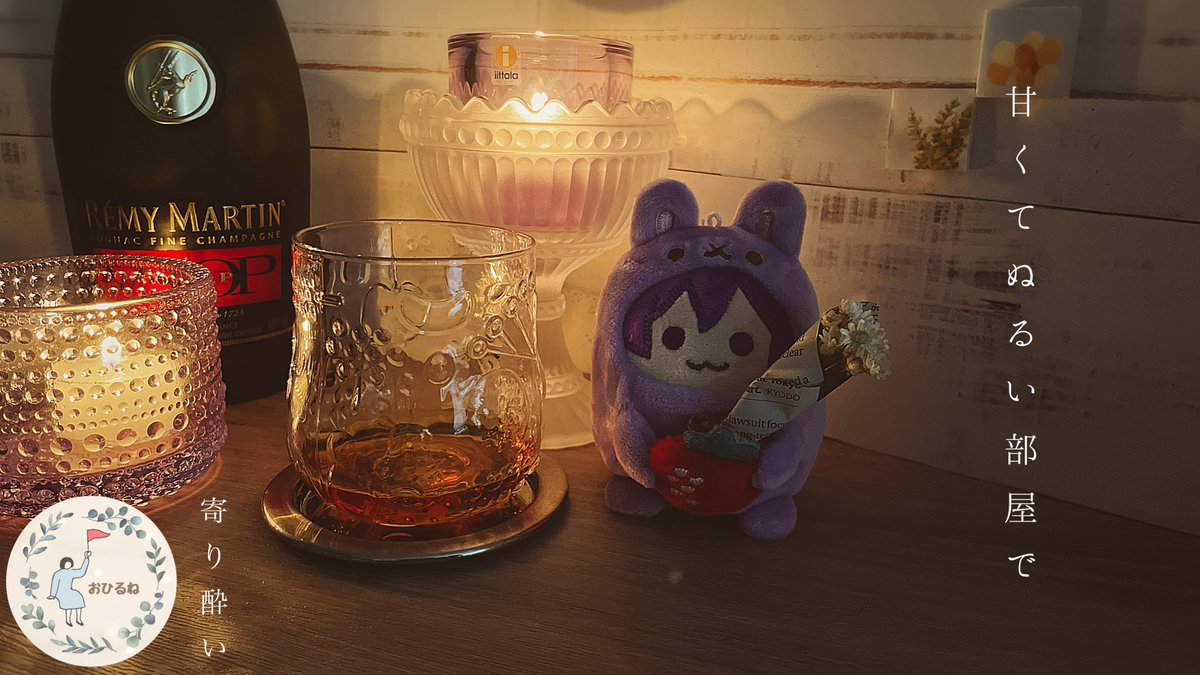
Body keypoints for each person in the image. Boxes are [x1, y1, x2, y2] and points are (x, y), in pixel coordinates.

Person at [47, 551, 90, 627]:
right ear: (63, 564)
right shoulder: (58, 573)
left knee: (78, 597)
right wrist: (52, 595)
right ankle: (68, 620)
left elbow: (81, 572)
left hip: (69, 591)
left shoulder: (71, 572)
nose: (68, 565)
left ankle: (78, 619)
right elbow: (54, 584)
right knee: (68, 605)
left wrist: (86, 558)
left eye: (69, 563)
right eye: (66, 563)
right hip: (60, 592)